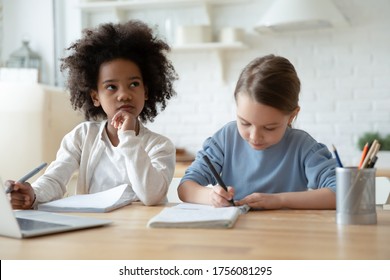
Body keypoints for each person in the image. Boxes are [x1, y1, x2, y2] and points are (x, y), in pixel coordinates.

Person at [7, 20, 178, 209]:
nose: (124, 95)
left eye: (134, 84)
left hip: (141, 233)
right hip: (93, 230)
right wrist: (32, 194)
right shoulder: (82, 137)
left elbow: (152, 196)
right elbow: (55, 180)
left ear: (146, 92)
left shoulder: (160, 146)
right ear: (95, 97)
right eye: (111, 87)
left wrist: (127, 137)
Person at [178, 54, 336, 210]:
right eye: (245, 123)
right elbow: (185, 187)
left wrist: (280, 200)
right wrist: (211, 196)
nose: (254, 137)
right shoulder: (226, 138)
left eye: (269, 127)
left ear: (292, 116)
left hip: (286, 232)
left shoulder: (303, 146)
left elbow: (341, 193)